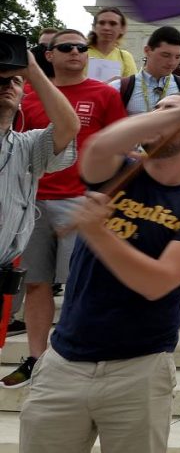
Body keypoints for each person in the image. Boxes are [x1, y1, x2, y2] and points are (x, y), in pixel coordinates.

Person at [18, 80, 180, 453]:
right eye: (158, 109)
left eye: (174, 112)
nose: (159, 116)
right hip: (64, 361)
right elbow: (100, 144)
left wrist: (99, 232)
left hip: (140, 370)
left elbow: (157, 282)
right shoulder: (118, 169)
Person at [3, 33, 123, 389]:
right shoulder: (26, 99)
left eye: (81, 47)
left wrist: (104, 192)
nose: (76, 52)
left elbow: (111, 140)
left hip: (78, 198)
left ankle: (75, 354)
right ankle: (37, 358)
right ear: (49, 54)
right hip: (32, 204)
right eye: (67, 47)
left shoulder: (102, 93)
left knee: (80, 283)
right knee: (37, 283)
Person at [0, 48, 80, 344]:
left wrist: (32, 69)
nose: (7, 85)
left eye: (14, 82)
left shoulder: (28, 145)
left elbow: (68, 126)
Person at [116, 27, 180, 116]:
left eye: (177, 57)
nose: (172, 63)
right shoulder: (119, 88)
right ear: (147, 51)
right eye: (165, 55)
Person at [84, 7, 135, 84]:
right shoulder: (80, 52)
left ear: (122, 29)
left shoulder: (125, 57)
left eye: (113, 24)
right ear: (93, 27)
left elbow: (132, 87)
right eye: (102, 23)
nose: (106, 28)